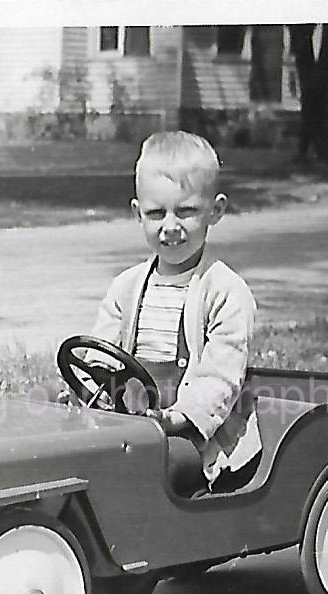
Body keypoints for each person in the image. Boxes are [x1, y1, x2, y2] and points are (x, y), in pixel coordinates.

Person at [89, 131, 262, 494]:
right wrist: (91, 392)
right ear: (138, 213)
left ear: (215, 210)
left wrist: (179, 417)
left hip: (201, 438)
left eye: (186, 211)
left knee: (154, 466)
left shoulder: (226, 292)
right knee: (80, 460)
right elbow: (99, 358)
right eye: (156, 213)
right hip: (133, 427)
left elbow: (220, 377)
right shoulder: (126, 287)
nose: (170, 227)